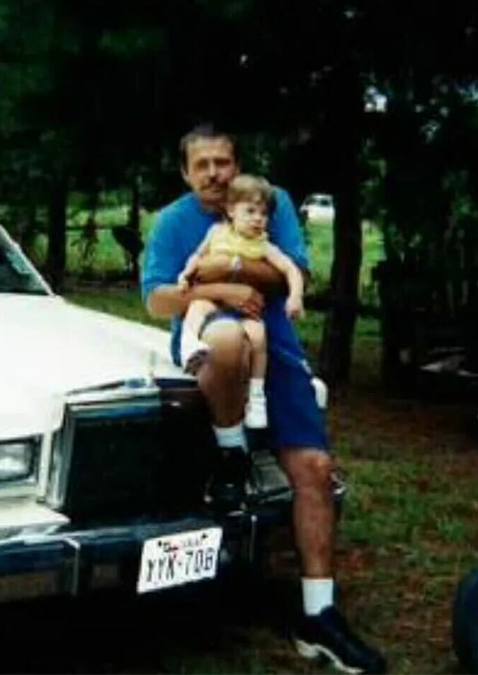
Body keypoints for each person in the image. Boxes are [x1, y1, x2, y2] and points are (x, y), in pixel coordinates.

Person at [141, 124, 387, 674]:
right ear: (185, 172)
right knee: (227, 336)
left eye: (222, 162)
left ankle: (318, 616)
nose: (213, 173)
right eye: (201, 164)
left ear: (236, 163)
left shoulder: (266, 203)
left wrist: (219, 273)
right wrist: (222, 289)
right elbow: (159, 299)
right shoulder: (173, 222)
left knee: (317, 469)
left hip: (277, 351)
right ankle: (232, 453)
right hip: (214, 351)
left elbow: (289, 274)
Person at [175, 174, 305, 429]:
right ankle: (188, 346)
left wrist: (295, 297)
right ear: (231, 210)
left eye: (264, 213)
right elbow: (197, 255)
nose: (258, 218)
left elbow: (291, 269)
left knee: (258, 337)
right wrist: (185, 274)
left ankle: (256, 397)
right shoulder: (216, 233)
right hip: (214, 302)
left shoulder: (263, 245)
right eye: (251, 211)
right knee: (196, 307)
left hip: (246, 310)